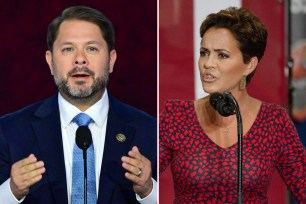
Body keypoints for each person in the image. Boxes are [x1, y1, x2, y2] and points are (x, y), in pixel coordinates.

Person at [0, 6, 157, 204]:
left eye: (91, 48)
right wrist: (12, 191)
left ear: (111, 60)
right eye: (68, 49)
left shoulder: (150, 132)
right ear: (50, 61)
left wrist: (148, 191)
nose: (80, 59)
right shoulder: (10, 131)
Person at [159, 7, 306, 204]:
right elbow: (140, 177)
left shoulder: (273, 120)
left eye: (222, 55)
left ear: (249, 65)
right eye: (204, 53)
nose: (208, 63)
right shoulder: (176, 115)